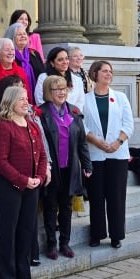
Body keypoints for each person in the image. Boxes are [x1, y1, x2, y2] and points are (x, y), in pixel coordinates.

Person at [0, 75, 51, 267]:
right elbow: (0, 161)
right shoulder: (3, 127)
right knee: (9, 233)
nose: (27, 102)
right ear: (10, 101)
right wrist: (24, 180)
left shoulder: (32, 126)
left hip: (32, 186)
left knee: (26, 232)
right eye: (21, 99)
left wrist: (39, 177)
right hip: (11, 186)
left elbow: (42, 154)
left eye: (27, 98)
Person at [39, 75, 91, 260]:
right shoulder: (41, 114)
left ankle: (65, 243)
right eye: (56, 89)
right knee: (51, 207)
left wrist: (87, 165)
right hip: (52, 170)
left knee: (67, 207)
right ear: (48, 92)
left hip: (71, 168)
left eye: (63, 89)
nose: (61, 92)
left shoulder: (74, 112)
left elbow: (82, 143)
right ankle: (51, 245)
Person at [83, 60, 134, 249]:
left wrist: (118, 142)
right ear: (95, 74)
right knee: (96, 196)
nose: (108, 74)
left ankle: (116, 235)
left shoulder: (120, 97)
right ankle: (96, 233)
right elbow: (82, 125)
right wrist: (97, 141)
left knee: (116, 196)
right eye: (104, 71)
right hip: (96, 153)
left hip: (117, 154)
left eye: (110, 71)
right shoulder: (85, 99)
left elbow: (128, 124)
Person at [4, 22, 45, 104]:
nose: (23, 36)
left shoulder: (34, 54)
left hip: (39, 98)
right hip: (16, 99)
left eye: (24, 33)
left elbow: (42, 75)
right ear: (12, 37)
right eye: (19, 34)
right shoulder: (9, 55)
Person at [34, 47, 85, 112]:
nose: (65, 62)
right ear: (52, 63)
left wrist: (72, 117)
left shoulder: (77, 80)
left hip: (73, 118)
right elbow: (40, 100)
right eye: (60, 60)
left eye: (66, 58)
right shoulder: (44, 78)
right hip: (51, 117)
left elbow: (80, 103)